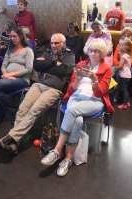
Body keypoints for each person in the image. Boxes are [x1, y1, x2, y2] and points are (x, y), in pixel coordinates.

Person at [40, 38, 114, 177]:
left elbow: (100, 92)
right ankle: (67, 159)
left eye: (97, 51)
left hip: (94, 100)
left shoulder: (107, 69)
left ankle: (56, 150)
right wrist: (77, 81)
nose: (93, 53)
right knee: (78, 121)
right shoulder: (81, 65)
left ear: (102, 53)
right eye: (91, 50)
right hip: (77, 96)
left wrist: (93, 80)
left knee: (71, 110)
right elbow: (71, 89)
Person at [0, 33, 75, 154]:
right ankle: (14, 143)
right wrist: (54, 64)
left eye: (56, 43)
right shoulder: (48, 52)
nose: (53, 45)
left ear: (63, 43)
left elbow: (64, 70)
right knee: (22, 109)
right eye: (52, 43)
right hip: (39, 84)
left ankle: (11, 137)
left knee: (34, 111)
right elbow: (36, 65)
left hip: (54, 89)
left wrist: (46, 66)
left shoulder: (69, 55)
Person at [112, 27, 132, 103]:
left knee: (119, 74)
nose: (126, 37)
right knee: (111, 71)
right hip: (120, 65)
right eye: (124, 35)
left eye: (128, 36)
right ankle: (110, 92)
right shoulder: (119, 45)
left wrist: (124, 64)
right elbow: (114, 58)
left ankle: (117, 94)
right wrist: (119, 64)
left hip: (131, 66)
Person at [114, 38, 132, 109]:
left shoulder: (124, 56)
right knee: (126, 89)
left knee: (124, 90)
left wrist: (116, 68)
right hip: (127, 75)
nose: (119, 47)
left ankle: (124, 104)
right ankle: (127, 102)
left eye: (121, 45)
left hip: (124, 75)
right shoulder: (128, 55)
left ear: (126, 47)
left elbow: (121, 66)